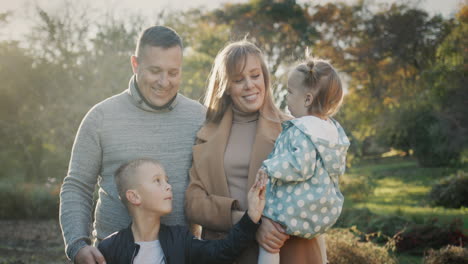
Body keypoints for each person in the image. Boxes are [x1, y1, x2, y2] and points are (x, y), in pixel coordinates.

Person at [59, 26, 205, 264]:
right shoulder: (101, 117)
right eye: (155, 71)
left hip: (181, 256)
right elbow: (77, 186)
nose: (164, 81)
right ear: (135, 64)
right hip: (112, 257)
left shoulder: (199, 118)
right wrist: (77, 245)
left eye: (173, 72)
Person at [185, 40, 326, 264]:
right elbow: (194, 203)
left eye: (255, 75)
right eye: (239, 79)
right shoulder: (205, 134)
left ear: (265, 77)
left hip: (288, 251)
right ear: (226, 87)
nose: (250, 85)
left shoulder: (296, 130)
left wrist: (276, 226)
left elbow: (320, 197)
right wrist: (249, 223)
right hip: (230, 252)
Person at [257, 58, 350, 264]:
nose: (286, 98)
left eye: (290, 92)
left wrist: (269, 167)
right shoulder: (331, 130)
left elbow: (300, 165)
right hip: (321, 208)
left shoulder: (302, 130)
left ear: (307, 99)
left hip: (296, 207)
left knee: (269, 235)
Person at [98, 158, 267, 263]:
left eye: (167, 180)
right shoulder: (109, 248)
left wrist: (251, 215)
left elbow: (223, 251)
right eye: (157, 181)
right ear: (134, 197)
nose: (168, 186)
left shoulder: (180, 239)